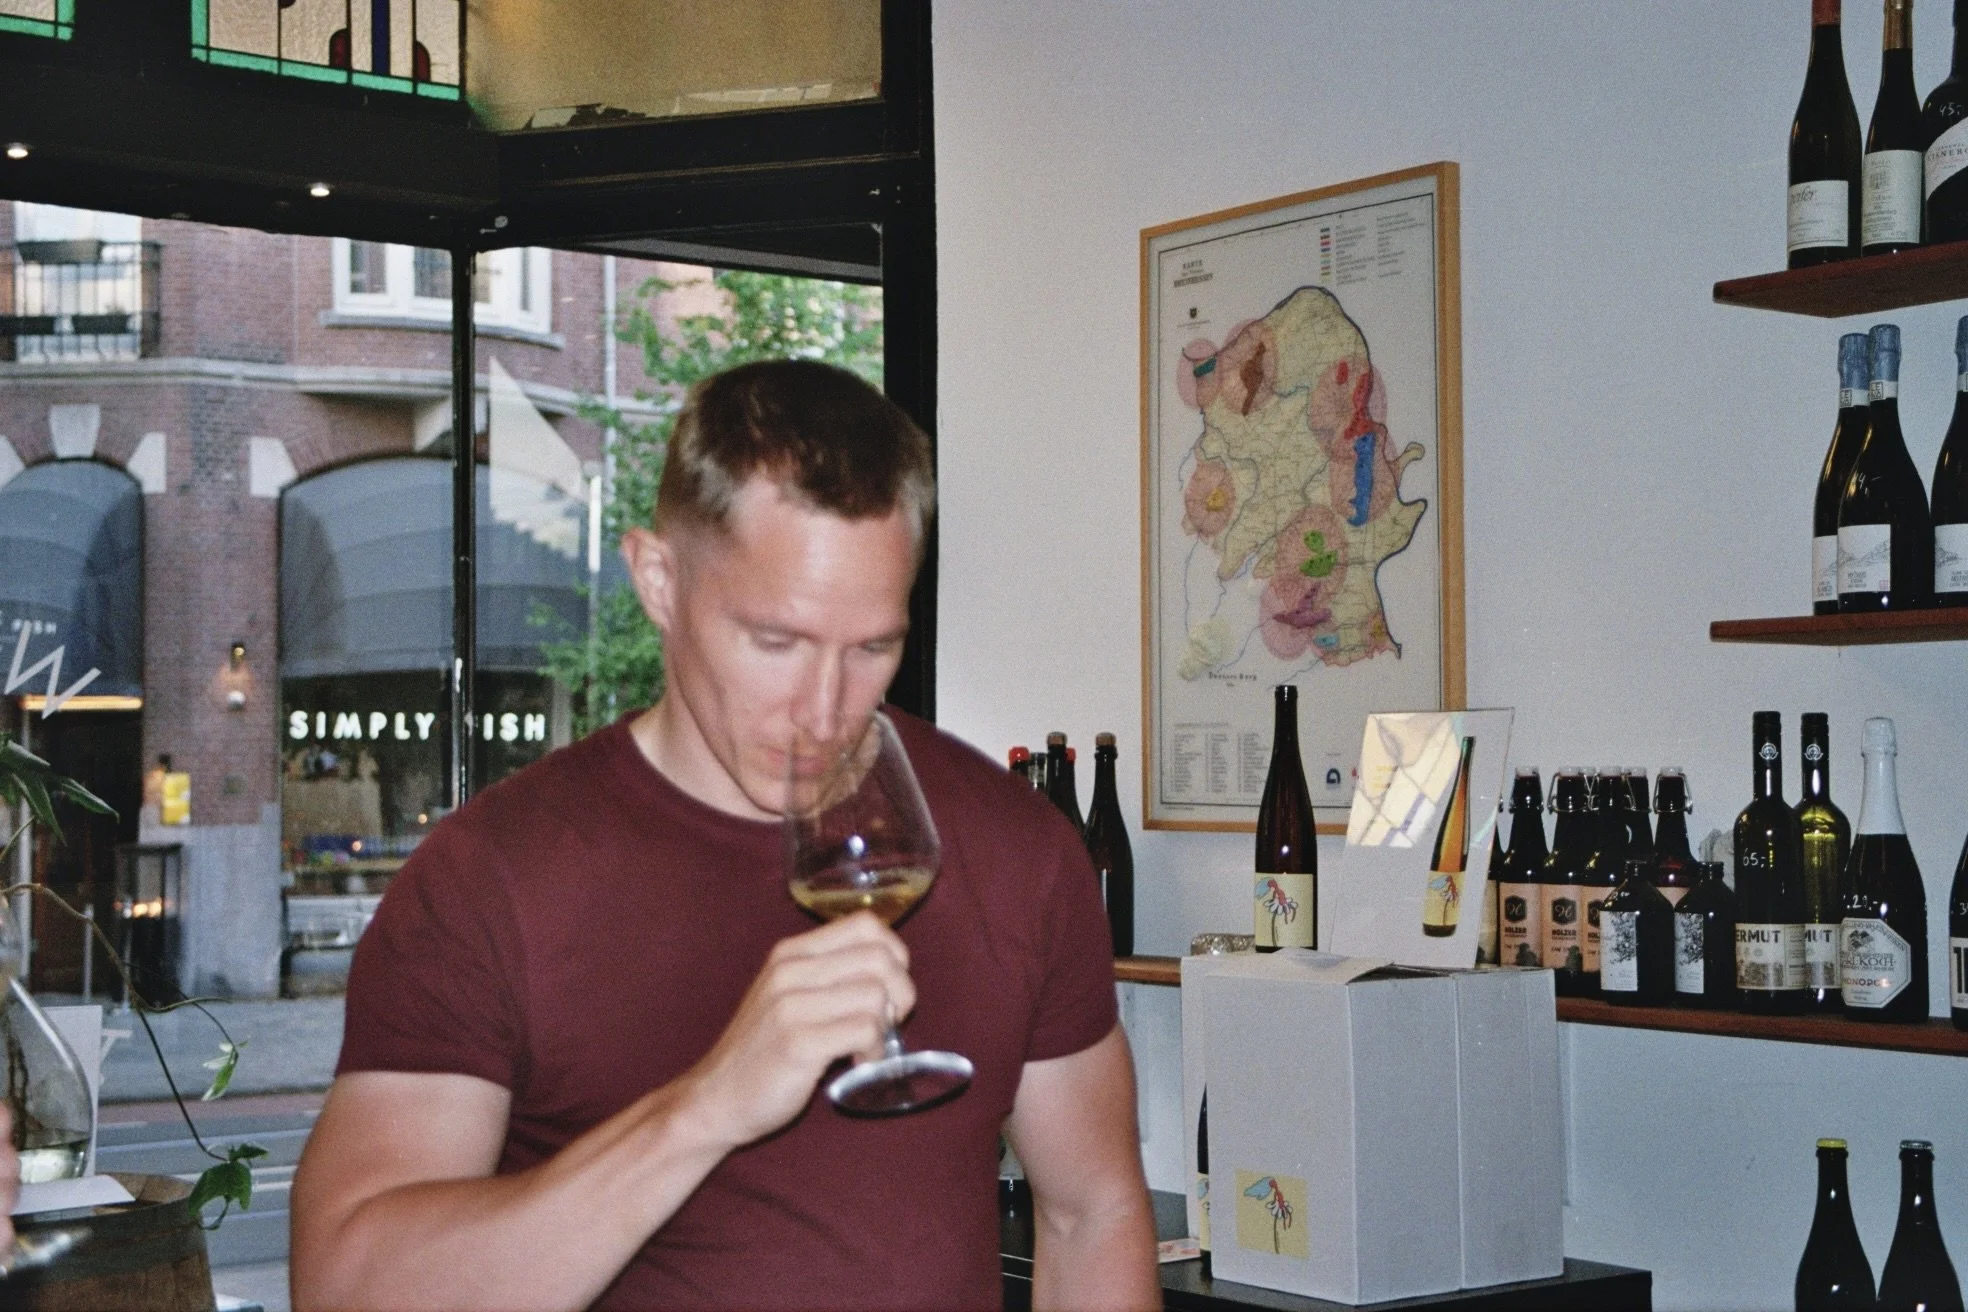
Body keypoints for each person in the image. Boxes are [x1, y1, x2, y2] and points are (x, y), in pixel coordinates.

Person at [290, 360, 1159, 1310]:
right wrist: (706, 1108)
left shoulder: (1020, 853)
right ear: (658, 580)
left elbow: (1093, 1212)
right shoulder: (489, 880)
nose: (825, 711)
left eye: (873, 647)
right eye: (776, 642)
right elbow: (346, 1290)